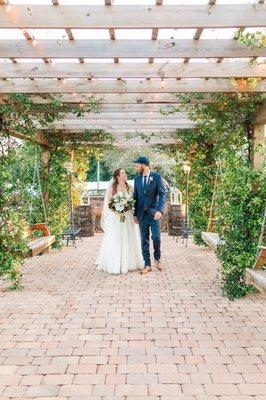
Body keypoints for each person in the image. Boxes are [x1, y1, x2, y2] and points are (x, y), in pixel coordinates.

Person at [96, 168, 143, 275]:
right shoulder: (112, 188)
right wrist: (119, 212)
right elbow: (109, 204)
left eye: (125, 173)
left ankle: (131, 262)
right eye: (122, 173)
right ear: (117, 176)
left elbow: (135, 200)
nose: (125, 174)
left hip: (128, 216)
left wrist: (129, 209)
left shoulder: (129, 187)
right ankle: (115, 263)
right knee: (116, 237)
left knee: (129, 236)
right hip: (116, 217)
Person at [133, 156, 166, 275]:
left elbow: (162, 194)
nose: (135, 167)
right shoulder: (136, 179)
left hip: (154, 214)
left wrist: (160, 210)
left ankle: (157, 259)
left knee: (156, 237)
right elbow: (135, 197)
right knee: (144, 240)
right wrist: (135, 214)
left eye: (137, 165)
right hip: (142, 215)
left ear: (144, 165)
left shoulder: (157, 177)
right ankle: (147, 264)